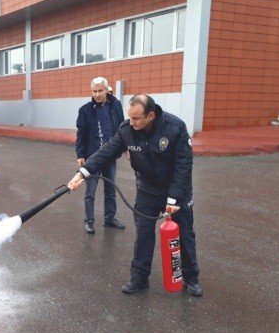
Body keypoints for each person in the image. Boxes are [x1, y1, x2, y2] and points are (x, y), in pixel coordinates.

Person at [67, 94, 203, 297]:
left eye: (137, 119)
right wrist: (82, 173)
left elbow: (183, 166)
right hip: (147, 189)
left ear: (151, 115)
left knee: (184, 234)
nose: (132, 122)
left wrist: (173, 199)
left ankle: (191, 278)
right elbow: (106, 152)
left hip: (176, 190)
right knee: (143, 234)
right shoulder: (126, 130)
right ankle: (139, 278)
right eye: (130, 118)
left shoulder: (175, 127)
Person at [75, 77, 125, 233]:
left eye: (100, 90)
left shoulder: (116, 105)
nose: (97, 94)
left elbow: (123, 128)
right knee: (90, 191)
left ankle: (109, 219)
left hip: (110, 156)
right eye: (94, 91)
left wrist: (127, 147)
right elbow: (81, 134)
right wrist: (80, 154)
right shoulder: (85, 110)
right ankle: (89, 221)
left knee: (110, 189)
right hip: (92, 158)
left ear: (107, 90)